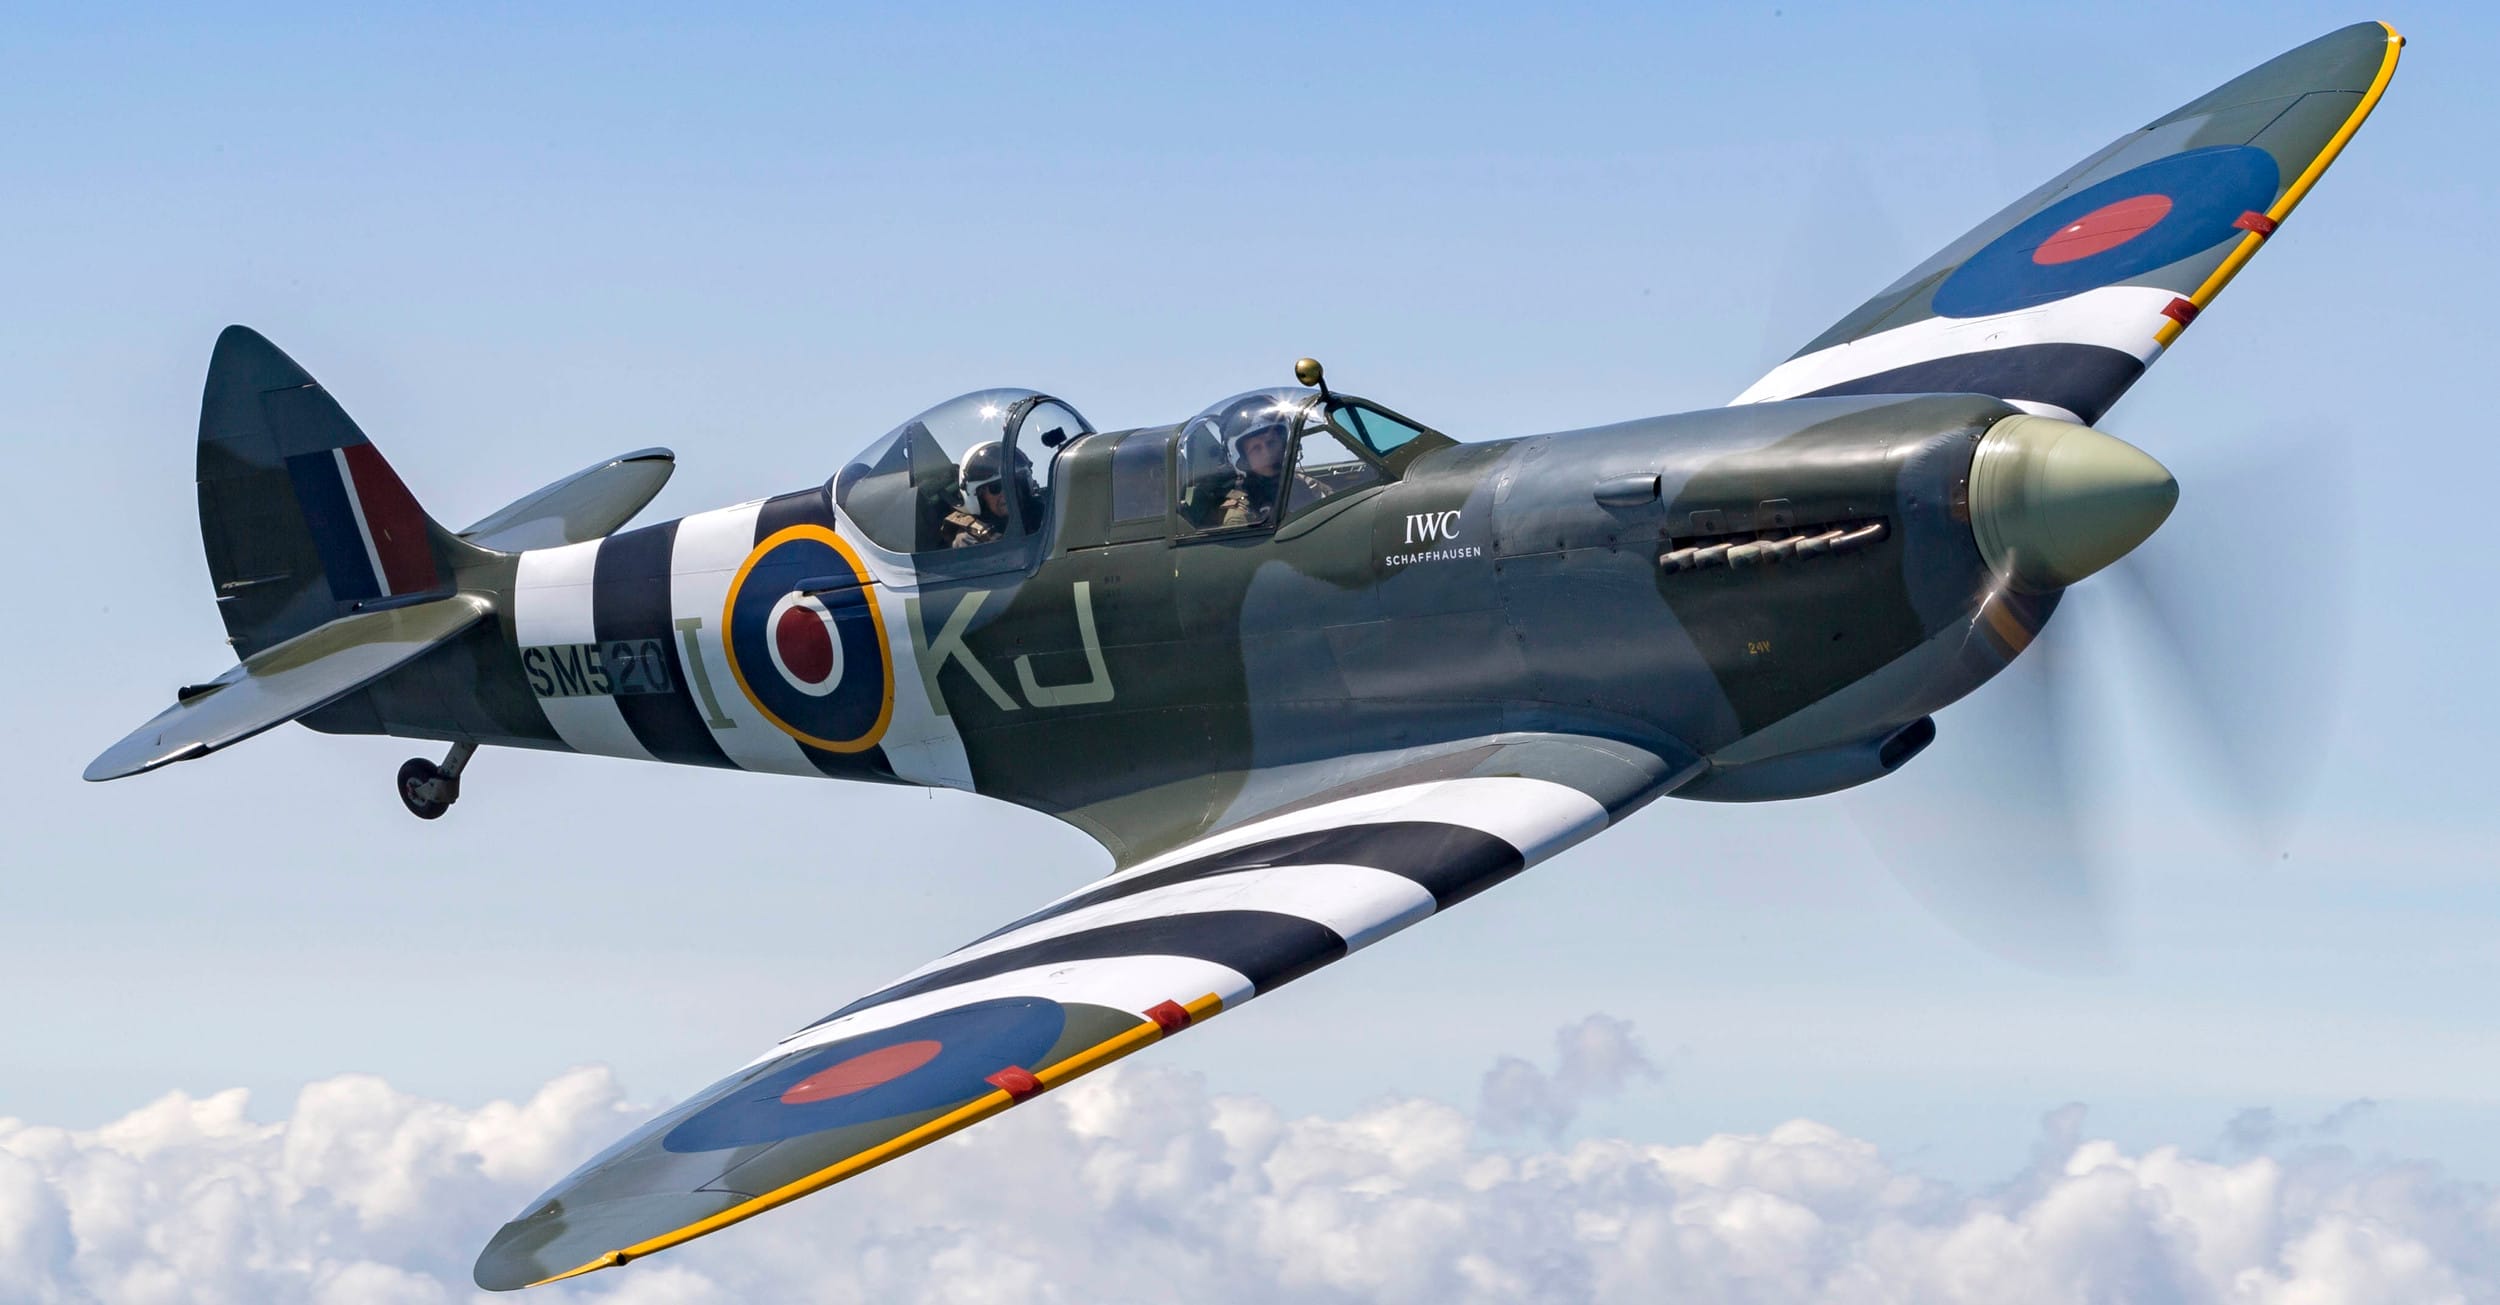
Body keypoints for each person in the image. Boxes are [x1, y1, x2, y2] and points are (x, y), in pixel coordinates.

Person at [1218, 412, 1328, 528]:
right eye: (1256, 448)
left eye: (1271, 443)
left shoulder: (1308, 485)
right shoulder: (1240, 515)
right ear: (1244, 460)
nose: (1267, 453)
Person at [940, 441, 1029, 548]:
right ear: (981, 496)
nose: (1006, 493)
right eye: (995, 487)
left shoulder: (1047, 513)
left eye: (1012, 484)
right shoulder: (968, 540)